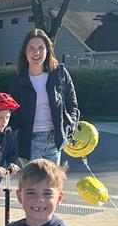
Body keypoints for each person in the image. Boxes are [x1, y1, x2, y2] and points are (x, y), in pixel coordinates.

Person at [9, 29, 79, 166]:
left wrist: (69, 126)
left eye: (41, 48)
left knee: (51, 186)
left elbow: (72, 105)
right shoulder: (19, 82)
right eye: (32, 48)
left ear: (48, 50)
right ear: (25, 52)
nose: (37, 53)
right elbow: (12, 116)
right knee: (36, 186)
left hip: (55, 141)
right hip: (30, 143)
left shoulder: (59, 74)